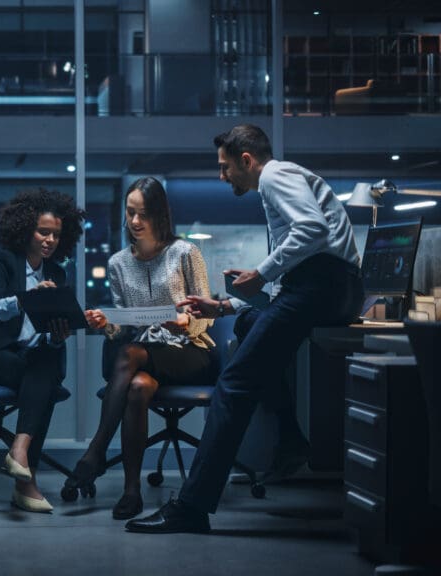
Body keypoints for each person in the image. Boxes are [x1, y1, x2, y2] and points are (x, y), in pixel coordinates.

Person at [126, 124, 363, 533]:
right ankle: (290, 439)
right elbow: (283, 289)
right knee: (251, 321)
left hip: (323, 286)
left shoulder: (274, 175)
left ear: (247, 160)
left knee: (233, 386)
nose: (222, 176)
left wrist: (261, 271)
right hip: (329, 289)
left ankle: (191, 507)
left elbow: (312, 230)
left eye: (225, 167)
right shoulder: (282, 183)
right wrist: (222, 307)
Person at [62, 177, 217, 520]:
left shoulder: (186, 252)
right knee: (137, 386)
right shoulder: (118, 263)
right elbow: (125, 325)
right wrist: (106, 324)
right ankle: (132, 492)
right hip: (145, 354)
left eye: (143, 213)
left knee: (129, 354)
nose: (135, 221)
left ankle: (96, 451)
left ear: (160, 214)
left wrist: (186, 323)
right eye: (130, 212)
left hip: (190, 350)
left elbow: (207, 315)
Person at [0, 188, 86, 513]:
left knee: (46, 364)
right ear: (25, 229)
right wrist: (25, 298)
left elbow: (43, 332)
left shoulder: (56, 272)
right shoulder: (2, 262)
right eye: (43, 232)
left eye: (56, 234)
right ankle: (26, 481)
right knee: (44, 381)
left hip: (25, 359)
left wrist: (58, 335)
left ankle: (19, 451)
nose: (50, 240)